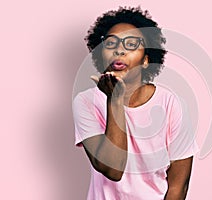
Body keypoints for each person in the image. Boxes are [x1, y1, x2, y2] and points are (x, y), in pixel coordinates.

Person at [72, 6, 199, 200]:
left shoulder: (172, 105)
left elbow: (178, 187)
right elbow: (113, 169)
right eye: (110, 43)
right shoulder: (86, 102)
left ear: (146, 59)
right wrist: (114, 99)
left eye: (131, 44)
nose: (119, 50)